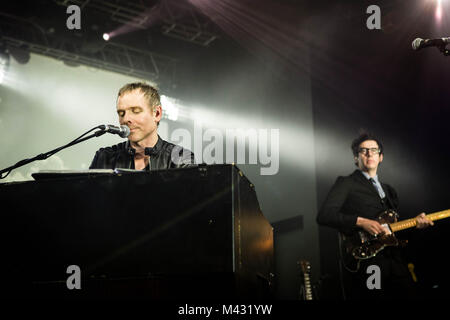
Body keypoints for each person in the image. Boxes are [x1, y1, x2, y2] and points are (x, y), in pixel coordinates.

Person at [316, 132, 433, 300]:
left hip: (397, 262)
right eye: (363, 151)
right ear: (356, 158)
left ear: (381, 157)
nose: (369, 153)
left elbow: (395, 229)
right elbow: (325, 215)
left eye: (374, 150)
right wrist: (360, 221)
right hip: (371, 263)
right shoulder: (346, 183)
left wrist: (417, 225)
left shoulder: (390, 191)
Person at [89, 82, 195, 170]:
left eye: (135, 111)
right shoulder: (104, 157)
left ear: (157, 113)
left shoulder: (180, 158)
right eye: (121, 113)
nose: (126, 119)